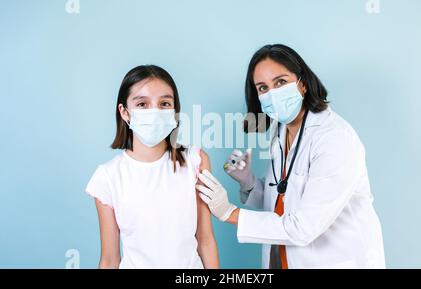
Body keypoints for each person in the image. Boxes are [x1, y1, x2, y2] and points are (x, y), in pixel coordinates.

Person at [196, 44, 385, 269]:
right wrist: (249, 183)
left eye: (280, 82)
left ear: (302, 84)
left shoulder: (334, 139)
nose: (272, 93)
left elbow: (303, 227)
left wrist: (230, 213)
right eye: (263, 88)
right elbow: (283, 198)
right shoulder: (283, 131)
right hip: (284, 261)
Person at [86, 65, 218, 269]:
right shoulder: (108, 177)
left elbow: (205, 239)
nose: (154, 112)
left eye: (164, 103)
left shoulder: (196, 161)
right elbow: (110, 259)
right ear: (124, 112)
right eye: (142, 104)